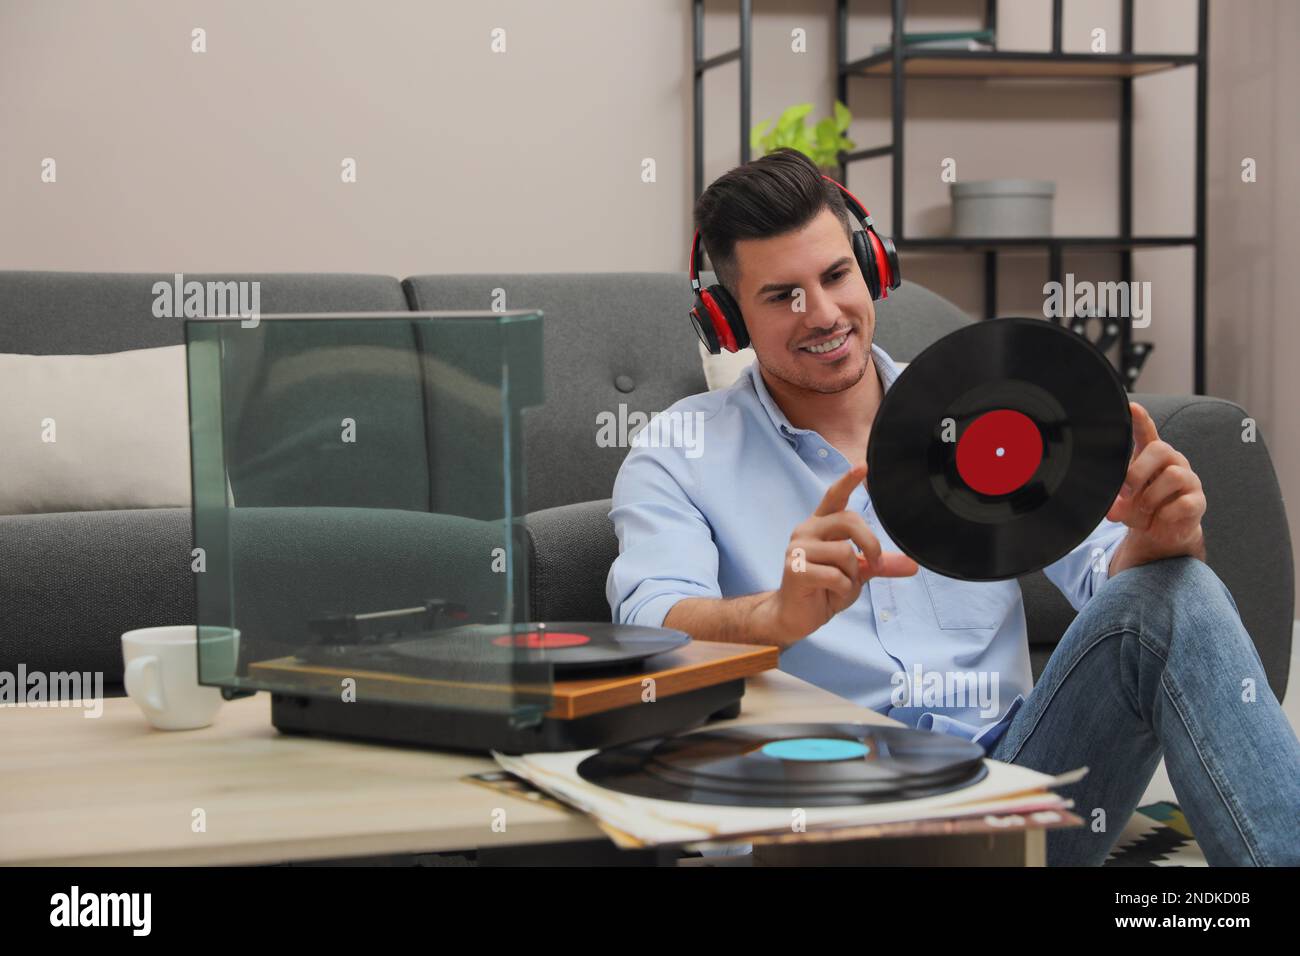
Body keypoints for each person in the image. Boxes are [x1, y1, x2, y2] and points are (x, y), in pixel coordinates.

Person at [605, 147, 1300, 866]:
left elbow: (1112, 581)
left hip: (1011, 789)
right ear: (728, 319)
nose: (823, 314)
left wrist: (1158, 540)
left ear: (872, 267)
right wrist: (772, 616)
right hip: (826, 814)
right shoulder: (678, 451)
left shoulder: (985, 412)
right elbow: (648, 631)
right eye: (782, 296)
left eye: (837, 275)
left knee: (1178, 590)